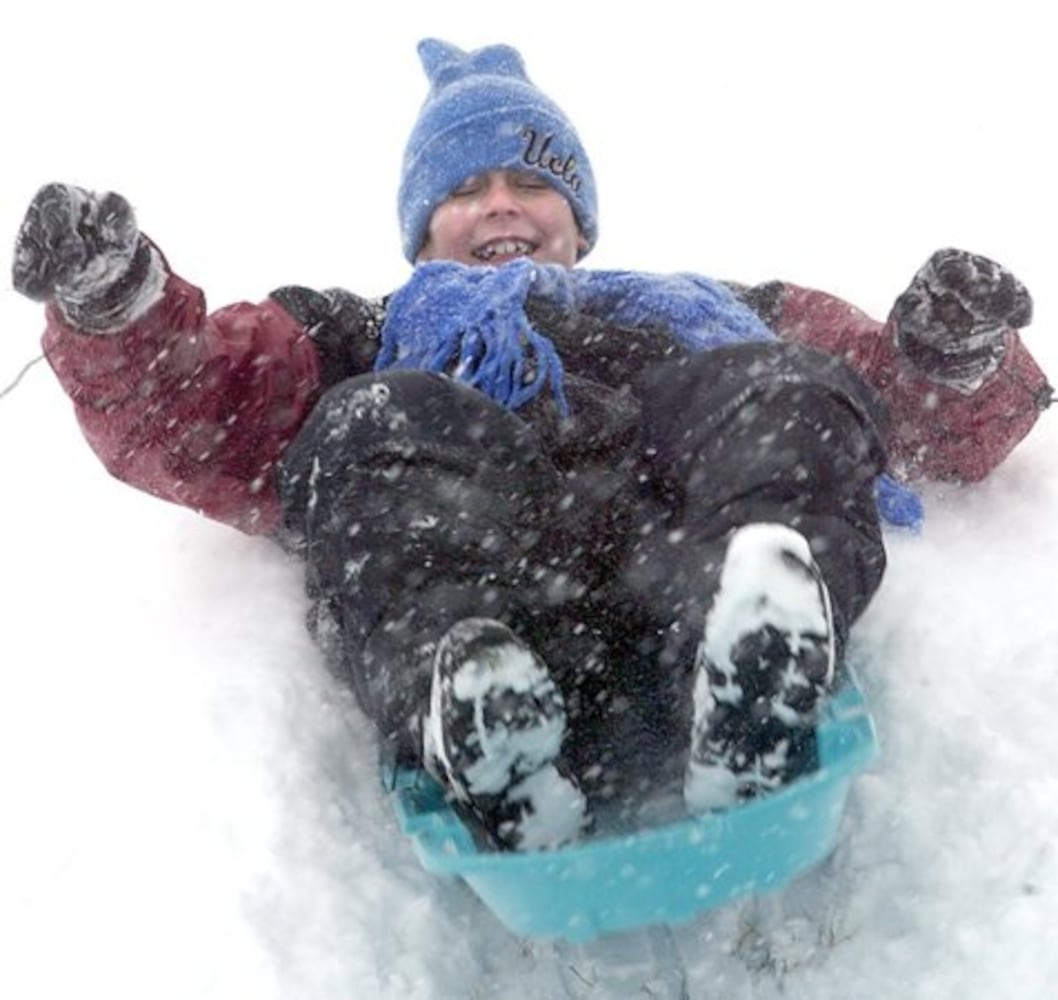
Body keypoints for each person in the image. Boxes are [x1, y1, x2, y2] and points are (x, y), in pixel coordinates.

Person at [11, 39, 1050, 852]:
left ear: (577, 215)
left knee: (782, 383)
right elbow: (192, 411)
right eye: (464, 188)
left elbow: (897, 418)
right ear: (422, 229)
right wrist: (118, 307)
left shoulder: (711, 309)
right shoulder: (360, 334)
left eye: (529, 179)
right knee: (371, 421)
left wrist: (947, 358)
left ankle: (754, 660)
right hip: (502, 603)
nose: (499, 200)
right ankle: (478, 713)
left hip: (685, 577)